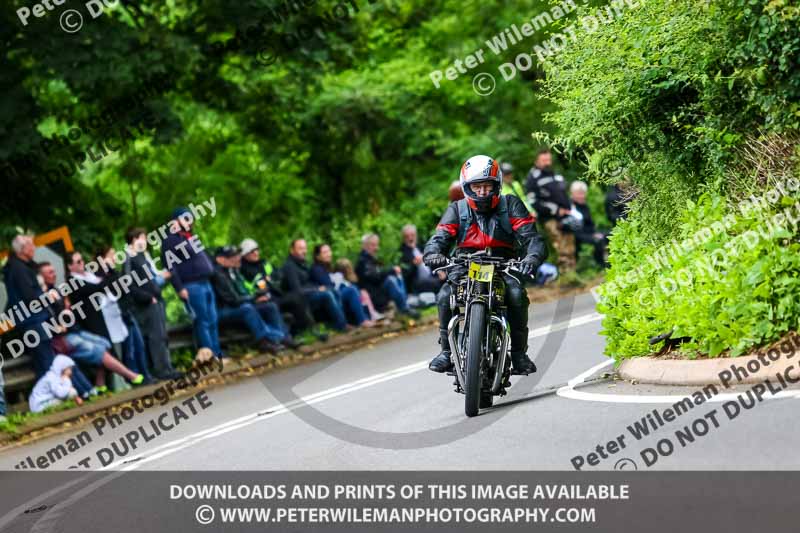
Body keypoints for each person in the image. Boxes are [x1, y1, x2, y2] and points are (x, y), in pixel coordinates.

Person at [424, 154, 546, 375]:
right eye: (477, 187)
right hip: (464, 265)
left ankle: (519, 354)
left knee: (517, 295)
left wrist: (532, 258)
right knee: (444, 296)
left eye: (487, 187)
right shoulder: (457, 209)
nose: (482, 192)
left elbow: (532, 238)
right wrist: (433, 253)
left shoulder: (511, 205)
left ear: (496, 185)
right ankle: (446, 352)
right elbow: (439, 238)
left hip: (504, 264)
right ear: (467, 187)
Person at [65, 251, 145, 386]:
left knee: (106, 349)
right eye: (78, 262)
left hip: (103, 317)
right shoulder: (72, 282)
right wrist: (111, 277)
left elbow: (105, 284)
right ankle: (129, 377)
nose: (82, 263)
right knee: (106, 350)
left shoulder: (88, 275)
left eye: (82, 260)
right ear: (70, 266)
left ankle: (101, 384)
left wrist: (110, 274)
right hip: (91, 321)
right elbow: (97, 288)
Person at [211, 246, 296, 354]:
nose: (237, 258)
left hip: (238, 304)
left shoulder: (232, 270)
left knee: (269, 306)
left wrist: (256, 297)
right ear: (220, 260)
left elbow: (242, 294)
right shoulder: (218, 275)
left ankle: (282, 338)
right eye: (232, 256)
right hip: (223, 310)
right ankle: (269, 341)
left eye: (237, 255)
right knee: (247, 308)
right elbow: (232, 301)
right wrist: (254, 298)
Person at [162, 207, 221, 357]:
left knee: (213, 319)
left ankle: (218, 353)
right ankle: (209, 355)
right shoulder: (170, 240)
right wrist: (179, 288)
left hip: (206, 282)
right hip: (192, 285)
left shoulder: (189, 237)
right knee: (202, 321)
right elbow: (170, 266)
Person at [123, 227, 181, 381]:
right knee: (156, 336)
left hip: (156, 301)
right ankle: (160, 370)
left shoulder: (142, 257)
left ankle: (167, 367)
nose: (145, 241)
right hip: (147, 304)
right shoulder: (129, 258)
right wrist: (147, 297)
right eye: (143, 237)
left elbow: (151, 280)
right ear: (134, 240)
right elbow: (128, 285)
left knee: (162, 336)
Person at [3, 235, 57, 378]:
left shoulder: (20, 266)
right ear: (21, 250)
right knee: (45, 360)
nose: (34, 248)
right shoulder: (19, 269)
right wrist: (47, 298)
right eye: (30, 245)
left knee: (43, 360)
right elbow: (29, 297)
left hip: (32, 320)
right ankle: (49, 397)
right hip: (32, 320)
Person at [239, 238, 318, 337]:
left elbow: (278, 274)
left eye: (257, 250)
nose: (256, 253)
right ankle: (288, 336)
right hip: (262, 299)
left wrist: (271, 279)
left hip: (276, 295)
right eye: (252, 252)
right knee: (283, 302)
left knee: (298, 296)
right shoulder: (243, 270)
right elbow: (250, 288)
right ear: (245, 254)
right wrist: (260, 291)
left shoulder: (264, 263)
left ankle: (308, 329)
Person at [524, 148, 576, 272]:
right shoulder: (533, 177)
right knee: (561, 248)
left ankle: (573, 275)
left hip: (566, 216)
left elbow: (564, 194)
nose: (547, 162)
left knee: (570, 246)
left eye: (549, 159)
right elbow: (533, 201)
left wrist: (568, 208)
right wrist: (556, 210)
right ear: (537, 161)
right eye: (544, 160)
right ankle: (565, 276)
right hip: (549, 218)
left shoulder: (554, 173)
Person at [282, 239, 348, 331]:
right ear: (292, 250)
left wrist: (318, 288)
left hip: (310, 293)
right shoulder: (289, 266)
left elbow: (309, 282)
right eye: (300, 248)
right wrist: (316, 289)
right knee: (327, 294)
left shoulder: (302, 264)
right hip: (301, 300)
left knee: (332, 290)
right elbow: (296, 290)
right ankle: (342, 326)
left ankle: (342, 322)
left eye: (305, 248)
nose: (304, 251)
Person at [356, 234, 420, 319]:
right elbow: (375, 277)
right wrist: (391, 271)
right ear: (365, 246)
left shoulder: (370, 259)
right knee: (390, 280)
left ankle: (404, 305)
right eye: (373, 245)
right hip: (373, 296)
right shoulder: (363, 261)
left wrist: (392, 271)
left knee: (396, 276)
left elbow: (379, 274)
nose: (376, 248)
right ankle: (404, 308)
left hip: (378, 292)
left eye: (377, 245)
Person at [310, 244, 375, 327]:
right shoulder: (317, 269)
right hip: (329, 297)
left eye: (329, 251)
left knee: (354, 289)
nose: (329, 254)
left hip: (335, 294)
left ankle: (366, 318)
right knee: (351, 290)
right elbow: (329, 285)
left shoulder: (325, 266)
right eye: (325, 252)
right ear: (318, 256)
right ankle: (363, 320)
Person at [569, 181, 609, 268]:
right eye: (579, 194)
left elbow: (590, 223)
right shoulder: (570, 207)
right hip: (577, 234)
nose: (582, 196)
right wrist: (593, 235)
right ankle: (601, 265)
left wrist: (594, 233)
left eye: (583, 193)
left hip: (589, 232)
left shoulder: (584, 205)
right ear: (572, 194)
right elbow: (575, 227)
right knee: (598, 241)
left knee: (608, 235)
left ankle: (610, 261)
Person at [399, 225, 443, 295]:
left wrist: (439, 271)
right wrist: (414, 264)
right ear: (404, 239)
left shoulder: (421, 247)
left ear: (416, 236)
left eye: (412, 235)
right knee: (439, 282)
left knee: (446, 275)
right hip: (417, 282)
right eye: (407, 237)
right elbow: (405, 276)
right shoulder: (402, 253)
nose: (410, 238)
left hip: (431, 276)